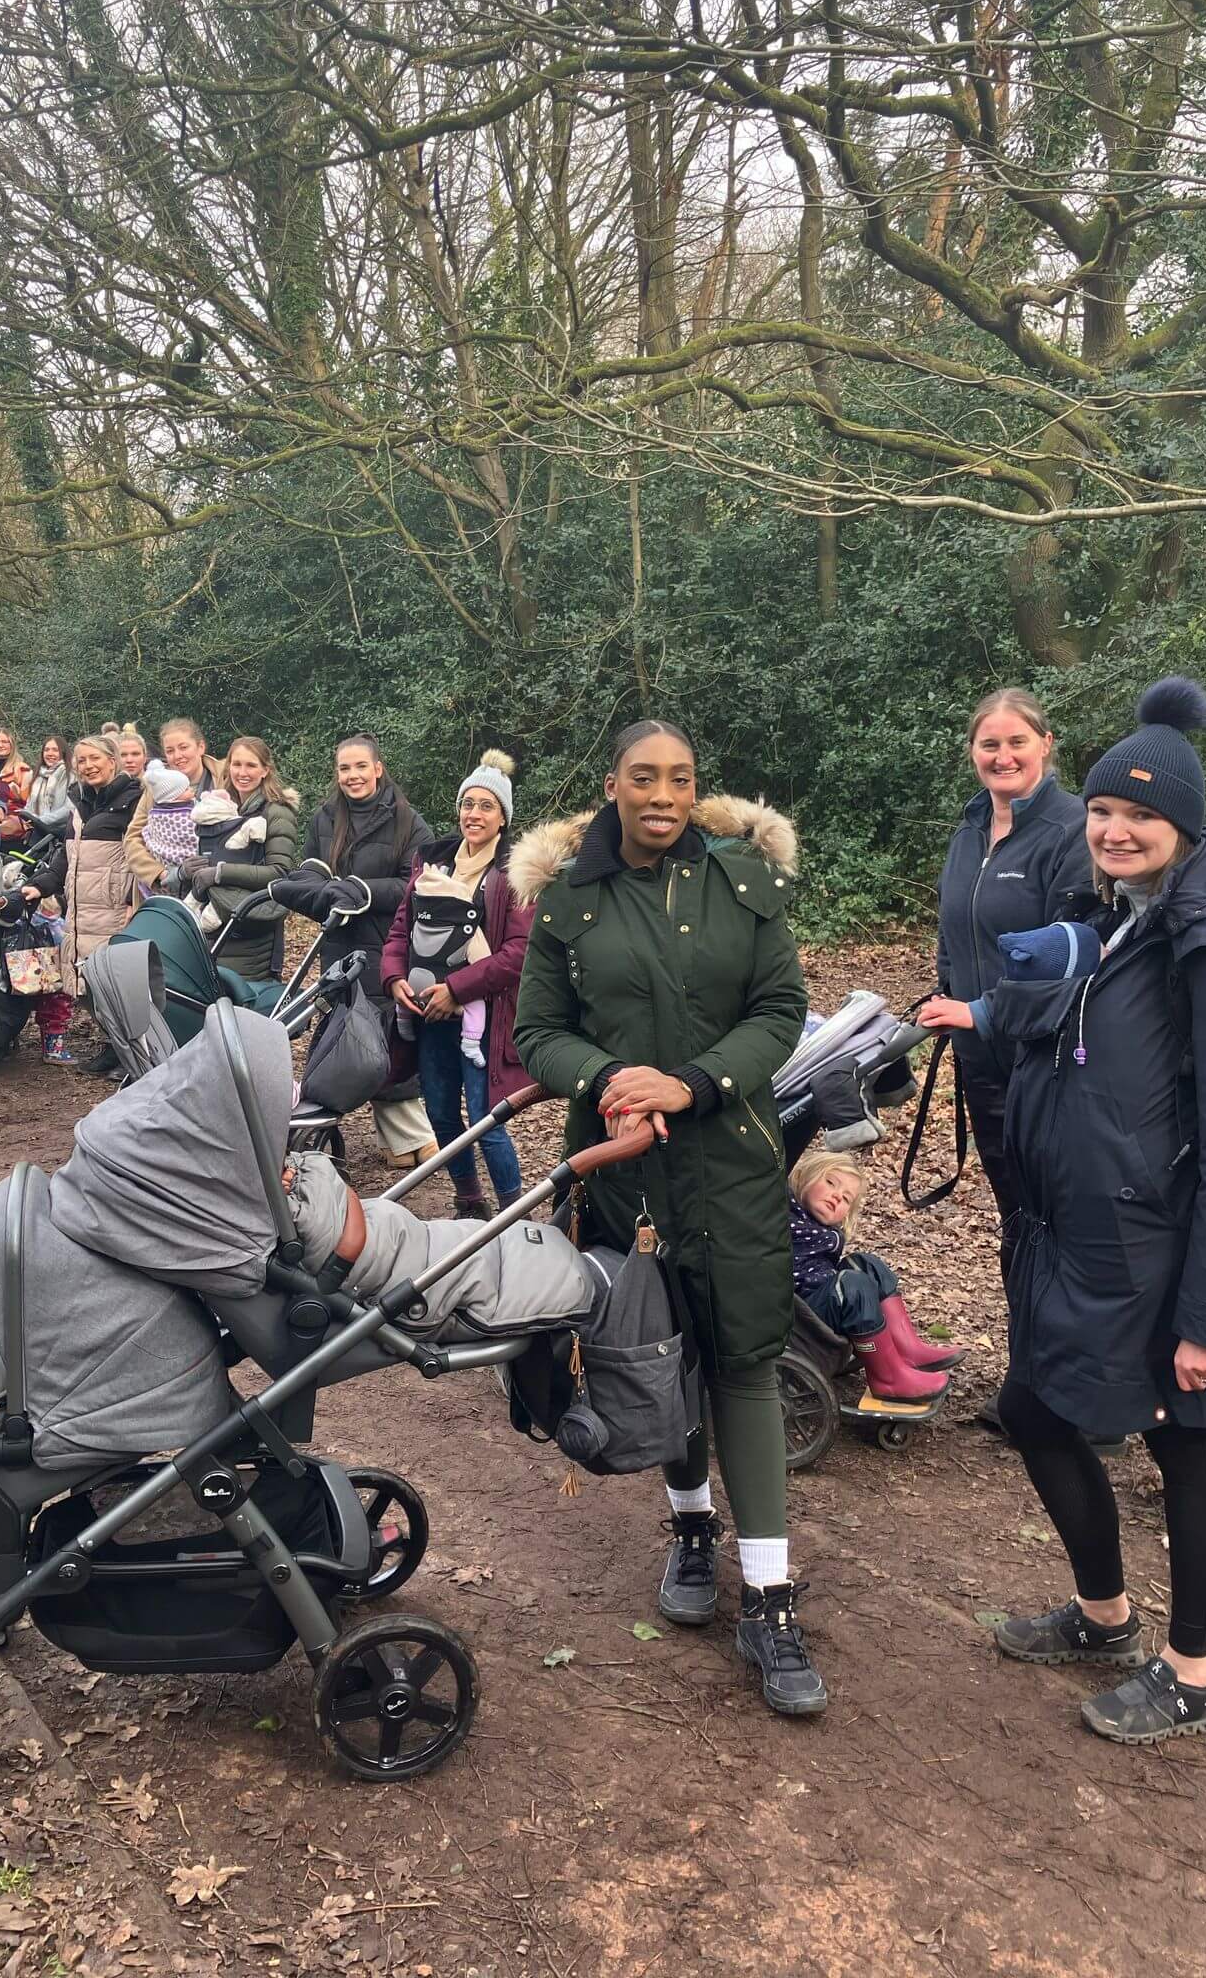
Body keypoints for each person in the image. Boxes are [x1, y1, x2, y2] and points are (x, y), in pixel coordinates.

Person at [920, 679, 1206, 1745]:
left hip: (1172, 1252)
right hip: (1079, 1236)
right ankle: (1102, 1616)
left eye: (1142, 814)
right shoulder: (1115, 918)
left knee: (1187, 1441)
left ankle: (1194, 1673)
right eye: (1104, 811)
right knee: (1036, 1410)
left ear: (1184, 823)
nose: (1118, 829)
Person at [512, 719, 826, 1717]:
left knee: (742, 1358)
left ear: (697, 787)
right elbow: (536, 1030)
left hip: (732, 1162)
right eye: (644, 777)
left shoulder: (744, 881)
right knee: (657, 1351)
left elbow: (780, 1008)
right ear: (611, 784)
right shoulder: (570, 899)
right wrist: (608, 1079)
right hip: (622, 1174)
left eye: (682, 778)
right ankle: (691, 1526)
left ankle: (771, 1594)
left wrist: (692, 1084)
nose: (664, 794)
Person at [936, 690, 1089, 1293]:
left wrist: (980, 1010)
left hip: (1050, 1060)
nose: (1003, 756)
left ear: (1045, 745)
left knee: (1059, 1215)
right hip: (982, 1061)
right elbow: (956, 927)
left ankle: (1065, 1367)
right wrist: (945, 991)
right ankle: (1029, 1360)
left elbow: (1073, 954)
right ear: (973, 750)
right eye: (989, 743)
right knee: (1016, 1214)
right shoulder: (970, 829)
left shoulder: (1073, 830)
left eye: (1016, 742)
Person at [384, 750, 533, 1216]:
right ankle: (470, 1203)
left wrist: (458, 989)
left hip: (483, 1020)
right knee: (443, 1113)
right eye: (468, 804)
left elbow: (518, 954)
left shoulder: (512, 876)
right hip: (428, 1014)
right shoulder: (432, 867)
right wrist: (393, 979)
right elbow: (399, 931)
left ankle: (514, 1211)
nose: (474, 814)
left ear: (503, 818)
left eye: (487, 806)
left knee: (487, 1120)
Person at [298, 732, 436, 1167]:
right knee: (343, 1034)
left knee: (383, 1041)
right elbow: (308, 870)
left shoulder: (407, 821)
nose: (352, 776)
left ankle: (415, 1139)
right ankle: (377, 1139)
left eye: (360, 766)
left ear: (378, 768)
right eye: (344, 768)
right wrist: (318, 892)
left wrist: (359, 891)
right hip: (337, 947)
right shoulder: (324, 819)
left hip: (385, 946)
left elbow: (418, 884)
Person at [787, 1147, 963, 1402]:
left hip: (821, 1301)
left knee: (865, 1264)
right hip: (799, 1318)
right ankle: (888, 1379)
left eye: (847, 1199)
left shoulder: (822, 1231)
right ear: (804, 1175)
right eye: (830, 1182)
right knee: (852, 1284)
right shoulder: (783, 1214)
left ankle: (907, 1350)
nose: (837, 1197)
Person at [19, 734, 141, 1066]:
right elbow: (66, 854)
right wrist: (41, 885)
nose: (88, 766)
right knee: (86, 981)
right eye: (82, 761)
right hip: (82, 907)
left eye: (94, 759)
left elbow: (144, 852)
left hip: (115, 905)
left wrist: (136, 897)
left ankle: (128, 1052)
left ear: (112, 760)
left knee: (115, 982)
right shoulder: (80, 801)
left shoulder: (134, 799)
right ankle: (114, 1045)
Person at [182, 736, 300, 985]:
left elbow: (279, 873)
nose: (242, 772)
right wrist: (187, 871)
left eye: (251, 765)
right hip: (214, 922)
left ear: (265, 770)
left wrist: (220, 872)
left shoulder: (276, 812)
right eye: (237, 765)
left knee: (242, 1001)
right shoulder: (220, 809)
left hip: (252, 930)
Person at [123, 718, 226, 889]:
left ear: (201, 747)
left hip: (219, 883)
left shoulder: (226, 778)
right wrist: (161, 873)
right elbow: (133, 838)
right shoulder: (155, 788)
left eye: (184, 747)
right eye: (170, 751)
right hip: (168, 888)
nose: (178, 756)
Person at [26, 737, 71, 830]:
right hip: (37, 830)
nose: (50, 753)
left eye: (55, 750)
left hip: (61, 832)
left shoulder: (70, 775)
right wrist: (26, 818)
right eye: (46, 750)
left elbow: (70, 808)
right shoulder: (37, 775)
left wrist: (40, 820)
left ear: (63, 752)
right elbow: (29, 805)